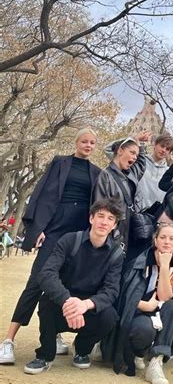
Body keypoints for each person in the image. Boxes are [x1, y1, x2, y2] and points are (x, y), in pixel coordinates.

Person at [0, 128, 100, 366]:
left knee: (65, 283)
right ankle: (8, 341)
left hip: (78, 232)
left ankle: (53, 334)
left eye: (92, 143)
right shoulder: (59, 163)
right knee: (36, 282)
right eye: (84, 141)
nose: (88, 145)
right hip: (54, 228)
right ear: (76, 142)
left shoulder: (97, 172)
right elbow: (40, 194)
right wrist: (37, 230)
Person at [23, 198, 124, 374]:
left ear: (114, 225)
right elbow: (47, 274)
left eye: (110, 219)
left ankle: (83, 349)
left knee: (110, 316)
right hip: (63, 304)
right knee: (46, 301)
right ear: (91, 218)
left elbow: (111, 290)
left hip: (88, 309)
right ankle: (45, 355)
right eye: (100, 216)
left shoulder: (116, 253)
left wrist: (84, 305)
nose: (104, 222)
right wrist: (68, 301)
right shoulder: (70, 240)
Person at [111, 222, 173, 384]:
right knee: (144, 329)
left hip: (159, 310)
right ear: (155, 240)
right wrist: (144, 305)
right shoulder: (140, 262)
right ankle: (139, 352)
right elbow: (124, 296)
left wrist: (164, 267)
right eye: (163, 237)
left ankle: (156, 362)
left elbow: (166, 296)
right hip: (138, 311)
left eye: (171, 238)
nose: (167, 242)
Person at [93, 132, 149, 259]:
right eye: (132, 152)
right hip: (113, 235)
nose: (135, 157)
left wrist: (140, 144)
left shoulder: (131, 174)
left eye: (137, 154)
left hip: (129, 232)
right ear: (120, 151)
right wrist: (132, 138)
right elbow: (99, 208)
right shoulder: (105, 175)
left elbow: (141, 163)